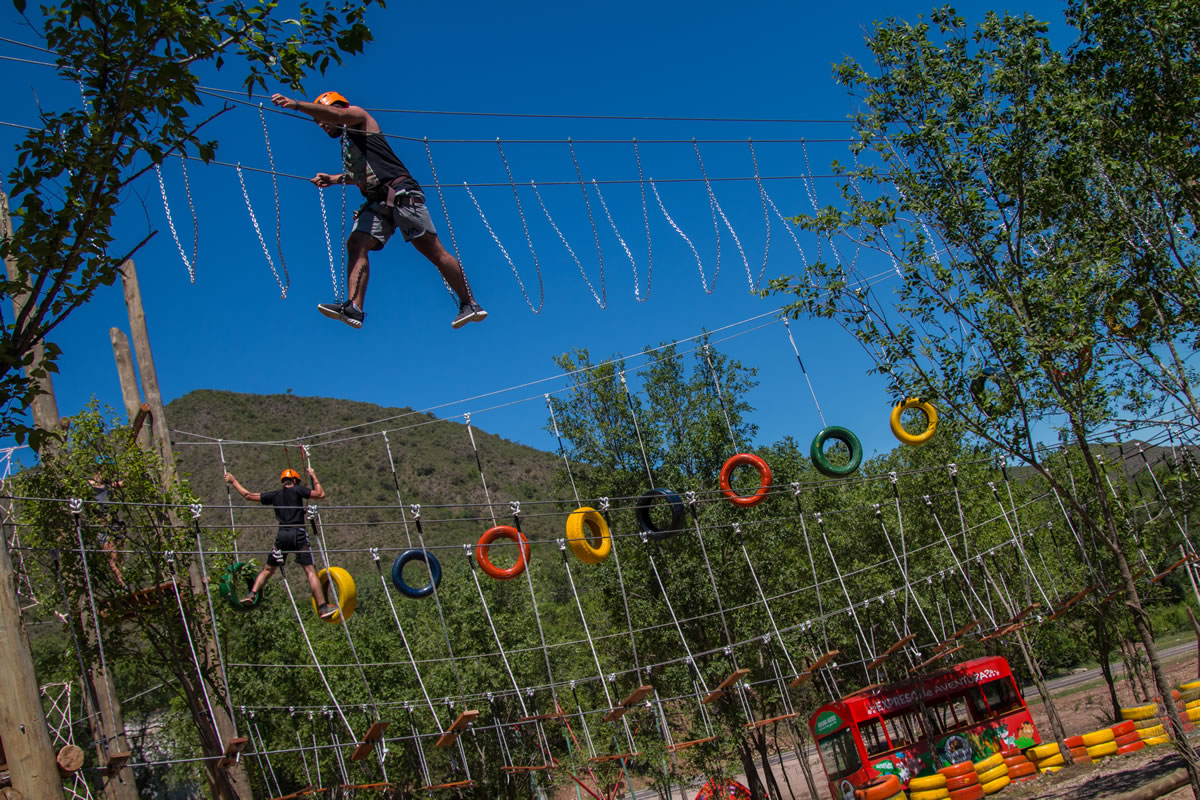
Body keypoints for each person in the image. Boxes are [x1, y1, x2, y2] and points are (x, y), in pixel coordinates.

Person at [270, 90, 487, 330]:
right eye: (318, 123)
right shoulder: (349, 142)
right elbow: (361, 175)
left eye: (322, 119)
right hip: (378, 201)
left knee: (432, 251)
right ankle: (354, 307)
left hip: (401, 193)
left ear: (338, 109)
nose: (321, 124)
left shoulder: (359, 117)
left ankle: (470, 304)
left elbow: (333, 114)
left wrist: (297, 105)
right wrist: (334, 179)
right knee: (356, 243)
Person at [224, 466, 337, 619]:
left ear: (283, 482)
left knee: (267, 570)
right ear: (295, 481)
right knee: (310, 571)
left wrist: (233, 481)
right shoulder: (298, 490)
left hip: (282, 535)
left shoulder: (276, 495)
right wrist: (314, 476)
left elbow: (248, 495)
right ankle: (323, 607)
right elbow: (320, 494)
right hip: (298, 534)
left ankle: (252, 594)